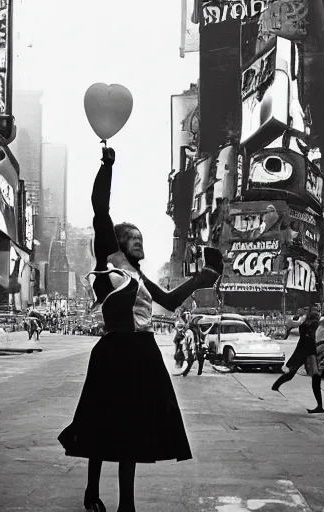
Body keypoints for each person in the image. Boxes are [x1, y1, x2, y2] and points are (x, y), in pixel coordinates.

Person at [58, 147, 223, 512]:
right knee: (103, 426)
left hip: (143, 353)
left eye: (141, 236)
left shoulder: (139, 275)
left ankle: (127, 506)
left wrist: (201, 279)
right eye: (132, 236)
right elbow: (100, 207)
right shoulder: (108, 262)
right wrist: (107, 165)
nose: (139, 240)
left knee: (131, 431)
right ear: (116, 241)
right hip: (116, 352)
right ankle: (91, 493)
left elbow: (170, 301)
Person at [271, 311, 324, 414]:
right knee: (313, 376)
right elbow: (294, 324)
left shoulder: (306, 322)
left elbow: (292, 324)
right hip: (307, 350)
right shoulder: (311, 323)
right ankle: (275, 387)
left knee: (307, 375)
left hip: (306, 350)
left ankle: (275, 386)